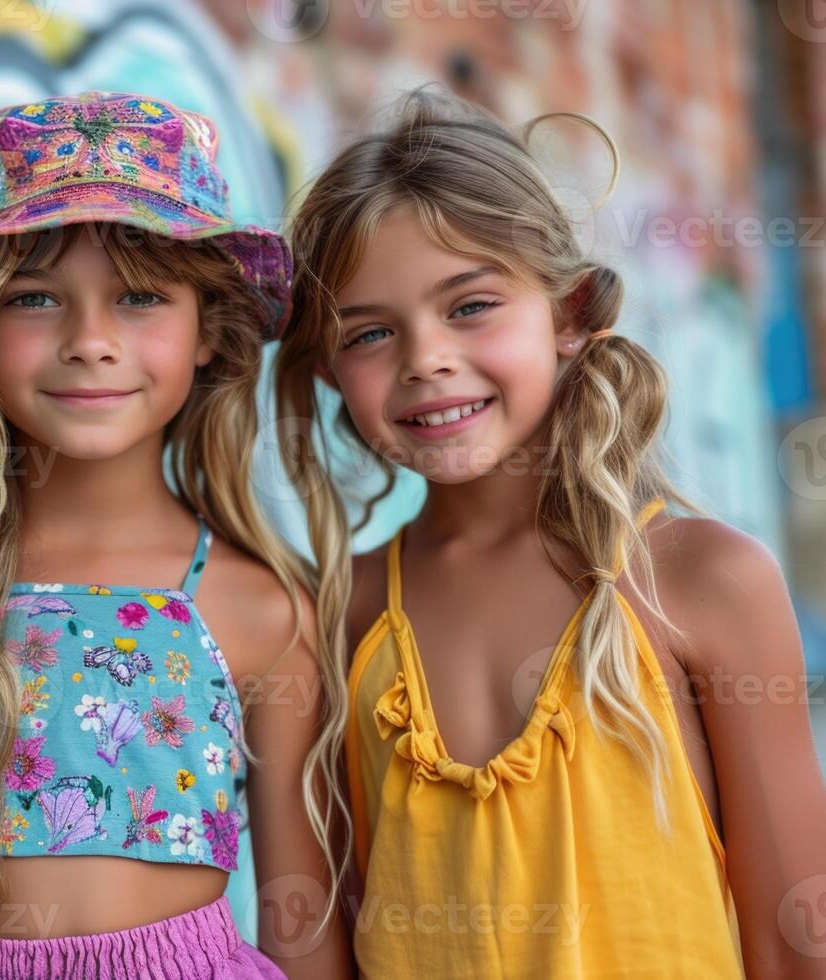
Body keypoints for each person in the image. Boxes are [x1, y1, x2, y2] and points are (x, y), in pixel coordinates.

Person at [279, 86, 826, 976]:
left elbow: (795, 935)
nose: (426, 359)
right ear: (331, 372)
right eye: (372, 333)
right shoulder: (340, 611)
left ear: (569, 315)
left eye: (470, 307)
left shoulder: (698, 581)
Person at [0, 91, 350, 978]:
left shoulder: (258, 607)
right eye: (35, 297)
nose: (90, 341)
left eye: (140, 298)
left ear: (207, 332)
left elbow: (300, 919)